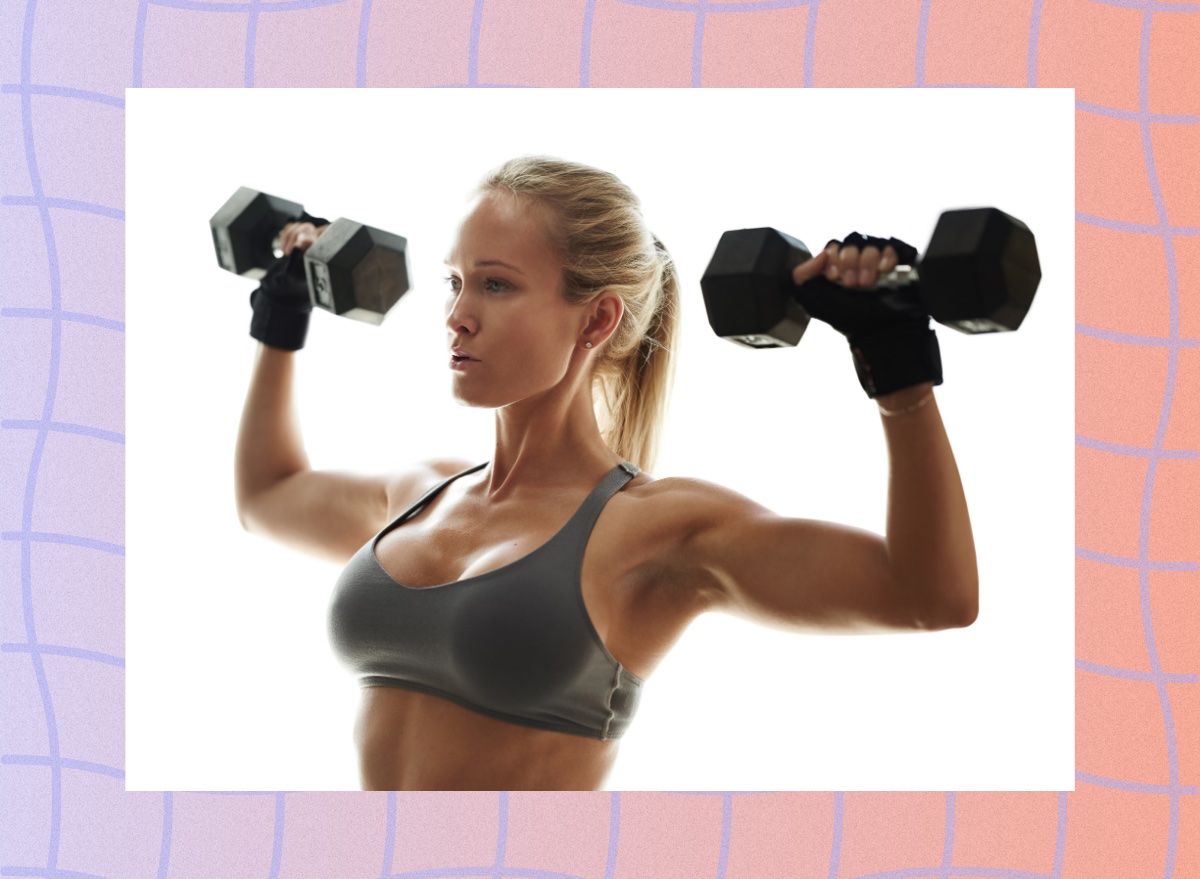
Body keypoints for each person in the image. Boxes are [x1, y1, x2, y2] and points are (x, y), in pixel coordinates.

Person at [234, 156, 978, 792]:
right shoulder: (419, 496)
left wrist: (900, 370)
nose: (457, 315)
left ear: (594, 321)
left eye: (495, 285)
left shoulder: (653, 529)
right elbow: (265, 497)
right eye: (454, 281)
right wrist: (280, 321)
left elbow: (930, 595)